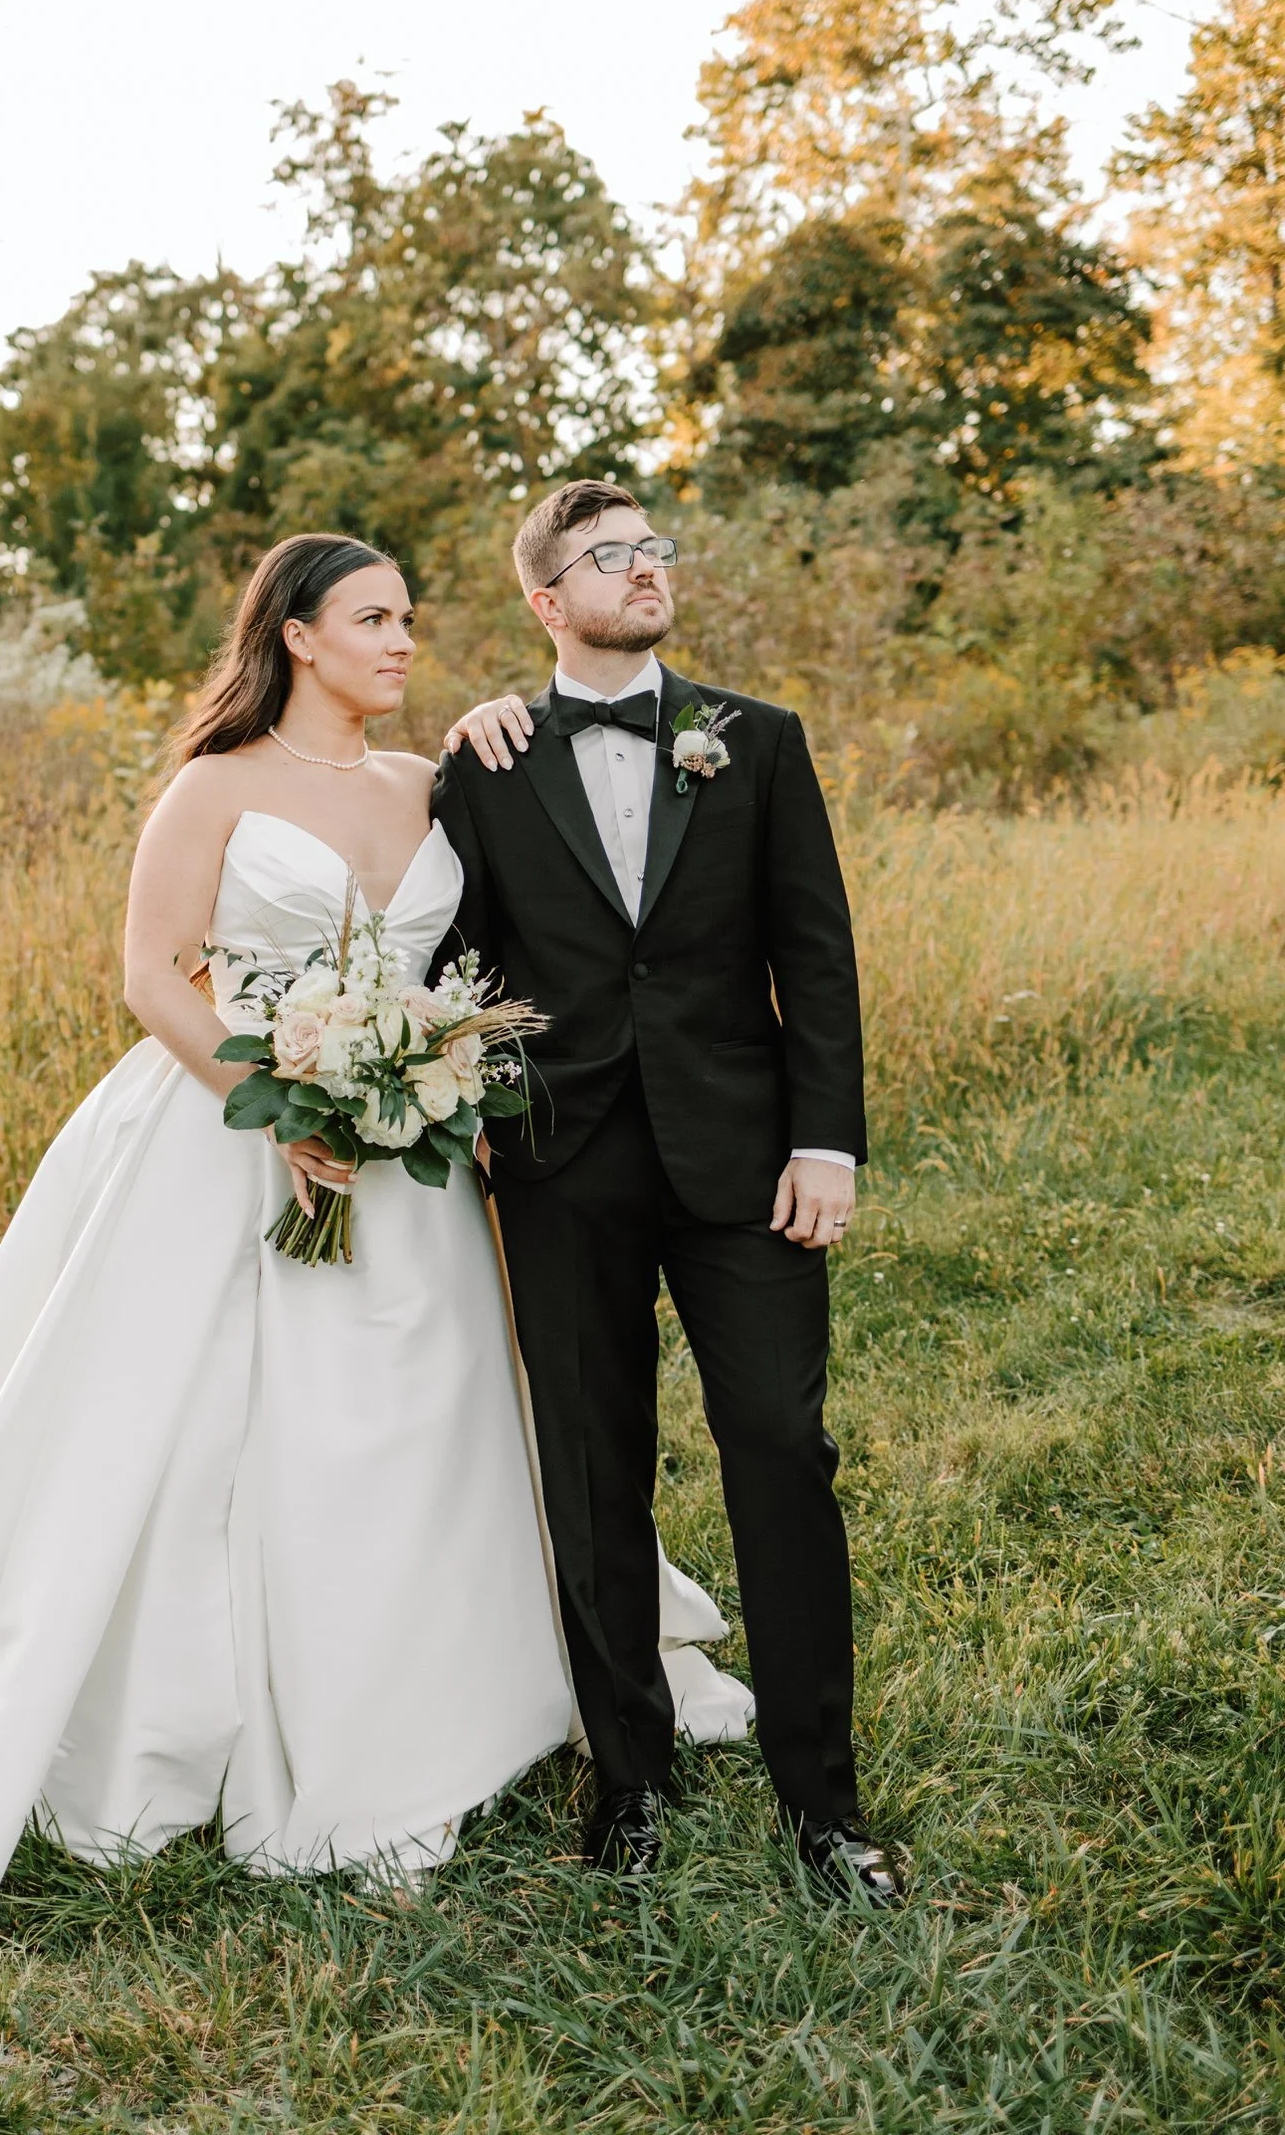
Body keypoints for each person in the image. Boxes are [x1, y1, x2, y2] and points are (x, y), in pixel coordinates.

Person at [0, 532, 749, 1926]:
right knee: (188, 1426)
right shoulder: (210, 787)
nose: (402, 642)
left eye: (410, 620)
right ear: (297, 636)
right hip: (227, 1136)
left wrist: (408, 1078)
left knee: (429, 1411)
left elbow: (482, 949)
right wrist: (283, 1110)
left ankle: (435, 1690)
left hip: (411, 1150)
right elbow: (152, 973)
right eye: (374, 620)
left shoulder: (433, 780)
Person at [436, 480, 903, 1905]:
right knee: (592, 1472)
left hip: (747, 1161)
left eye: (656, 549)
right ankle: (626, 1786)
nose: (646, 570)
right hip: (563, 1162)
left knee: (781, 1443)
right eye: (611, 556)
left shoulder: (757, 743)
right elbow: (455, 965)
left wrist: (828, 1142)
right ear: (545, 599)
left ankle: (822, 1807)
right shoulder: (487, 763)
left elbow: (812, 955)